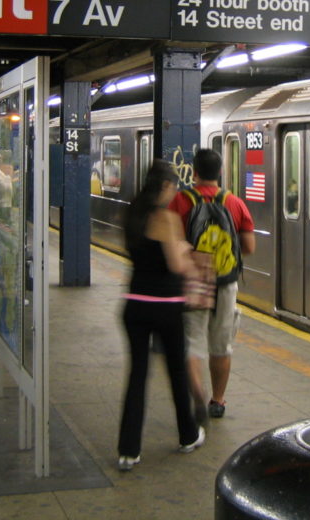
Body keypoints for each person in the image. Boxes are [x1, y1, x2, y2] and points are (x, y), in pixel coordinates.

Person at [117, 160, 204, 471]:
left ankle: (128, 451)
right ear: (165, 186)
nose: (174, 192)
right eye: (173, 186)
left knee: (137, 376)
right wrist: (182, 248)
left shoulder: (132, 214)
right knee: (177, 372)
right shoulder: (167, 218)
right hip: (166, 305)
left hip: (134, 305)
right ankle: (188, 435)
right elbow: (177, 266)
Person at [169, 148, 255, 422]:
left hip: (194, 281)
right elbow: (249, 247)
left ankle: (196, 393)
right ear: (220, 172)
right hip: (226, 282)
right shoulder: (236, 203)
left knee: (193, 342)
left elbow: (172, 243)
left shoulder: (181, 201)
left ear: (194, 172)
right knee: (221, 345)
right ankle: (217, 400)